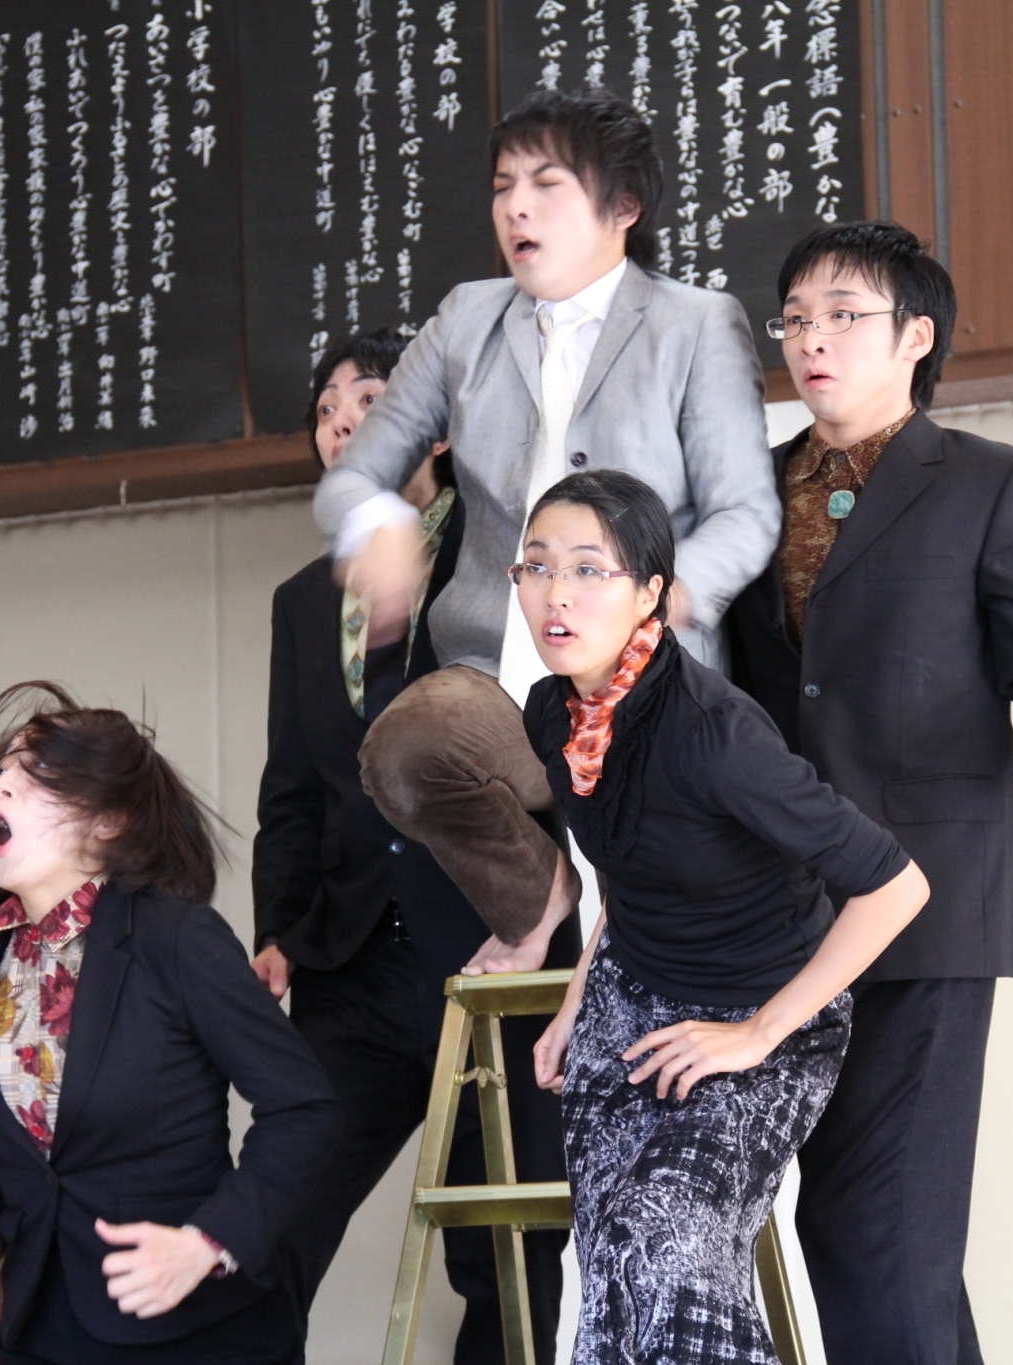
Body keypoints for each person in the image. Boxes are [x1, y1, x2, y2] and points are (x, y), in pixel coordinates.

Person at [723, 221, 1013, 1365]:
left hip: (927, 899)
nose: (810, 339)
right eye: (795, 318)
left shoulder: (988, 482)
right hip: (786, 903)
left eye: (842, 315)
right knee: (856, 1231)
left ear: (914, 337)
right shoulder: (745, 492)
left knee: (880, 1234)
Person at [313, 86, 779, 976]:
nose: (515, 207)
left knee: (652, 946)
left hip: (648, 683)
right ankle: (537, 893)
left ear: (623, 206)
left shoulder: (693, 323)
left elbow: (744, 511)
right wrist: (378, 525)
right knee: (406, 750)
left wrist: (663, 601)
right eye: (502, 186)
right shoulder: (466, 319)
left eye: (547, 184)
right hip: (502, 676)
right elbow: (356, 476)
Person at [516, 471, 930, 1363]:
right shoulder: (554, 712)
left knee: (664, 1238)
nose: (556, 594)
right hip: (631, 998)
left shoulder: (715, 733)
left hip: (760, 1010)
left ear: (649, 593)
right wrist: (575, 1004)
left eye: (588, 568)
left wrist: (756, 1034)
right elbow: (625, 870)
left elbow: (896, 885)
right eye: (537, 566)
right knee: (614, 1268)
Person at [255, 332, 576, 1360]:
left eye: (368, 399)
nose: (341, 421)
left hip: (491, 946)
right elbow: (292, 789)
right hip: (350, 961)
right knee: (271, 1219)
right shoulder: (302, 600)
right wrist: (278, 931)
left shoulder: (502, 553)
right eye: (324, 411)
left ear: (432, 430)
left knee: (502, 1251)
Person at [0, 684, 339, 1365]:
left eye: (35, 773)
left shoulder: (177, 940)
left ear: (109, 820)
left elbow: (305, 1109)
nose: (3, 786)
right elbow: (29, 1141)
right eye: (1, 771)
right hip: (38, 1327)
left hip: (193, 1333)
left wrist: (208, 1243)